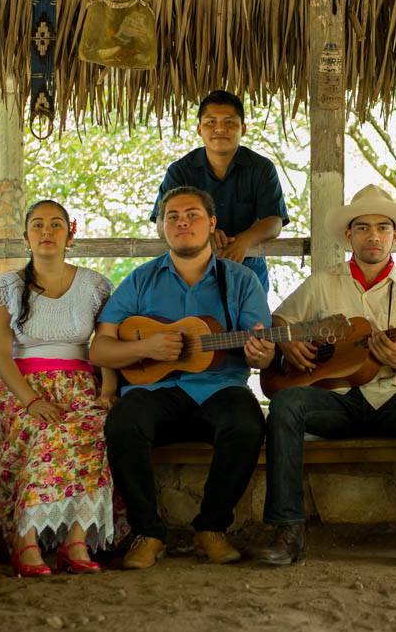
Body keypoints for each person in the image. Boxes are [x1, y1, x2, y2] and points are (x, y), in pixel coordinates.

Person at [260, 185, 396, 570]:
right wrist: (289, 346)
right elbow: (279, 320)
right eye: (363, 227)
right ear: (348, 236)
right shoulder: (324, 282)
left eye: (383, 228)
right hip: (335, 401)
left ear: (395, 236)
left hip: (391, 400)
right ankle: (289, 530)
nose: (373, 236)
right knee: (286, 403)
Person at [92, 186, 273, 570]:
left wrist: (264, 351)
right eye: (171, 216)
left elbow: (262, 345)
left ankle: (211, 528)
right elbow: (100, 348)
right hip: (154, 391)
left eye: (191, 215)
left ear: (211, 223)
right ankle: (148, 532)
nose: (181, 222)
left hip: (220, 389)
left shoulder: (240, 280)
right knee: (123, 422)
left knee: (246, 422)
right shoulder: (139, 280)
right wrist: (146, 349)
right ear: (161, 227)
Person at [0, 199, 117, 577]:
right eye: (38, 225)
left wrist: (107, 389)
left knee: (96, 429)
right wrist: (31, 402)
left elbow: (105, 344)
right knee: (47, 432)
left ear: (69, 234)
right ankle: (25, 542)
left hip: (80, 384)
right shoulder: (7, 287)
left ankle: (75, 541)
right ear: (26, 236)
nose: (47, 232)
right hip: (22, 387)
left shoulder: (95, 285)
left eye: (56, 224)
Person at [150, 90, 289, 293]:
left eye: (229, 122)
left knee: (253, 324)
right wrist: (205, 234)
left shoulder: (261, 168)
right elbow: (163, 225)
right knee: (196, 324)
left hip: (248, 264)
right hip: (192, 268)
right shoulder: (180, 171)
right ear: (199, 129)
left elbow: (274, 222)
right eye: (211, 122)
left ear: (243, 128)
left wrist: (244, 241)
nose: (220, 129)